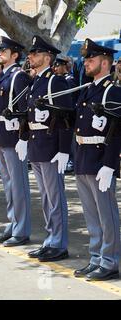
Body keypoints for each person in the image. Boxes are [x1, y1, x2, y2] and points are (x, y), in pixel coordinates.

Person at [73, 39, 120, 281]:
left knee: (106, 214)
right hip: (83, 158)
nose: (86, 62)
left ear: (104, 62)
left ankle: (111, 260)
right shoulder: (87, 89)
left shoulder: (113, 91)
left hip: (101, 160)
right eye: (86, 59)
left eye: (90, 59)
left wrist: (110, 165)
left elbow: (117, 129)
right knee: (91, 214)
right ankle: (96, 257)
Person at [23, 35, 72, 262]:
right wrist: (24, 139)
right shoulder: (37, 82)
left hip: (51, 146)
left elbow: (65, 119)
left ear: (47, 56)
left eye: (34, 53)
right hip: (37, 145)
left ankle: (59, 244)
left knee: (55, 198)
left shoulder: (55, 82)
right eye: (31, 53)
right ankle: (50, 239)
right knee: (45, 198)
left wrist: (63, 150)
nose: (30, 56)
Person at [0, 36, 32, 247]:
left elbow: (25, 111)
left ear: (14, 54)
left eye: (4, 50)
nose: (0, 53)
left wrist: (23, 138)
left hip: (13, 138)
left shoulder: (19, 76)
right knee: (8, 185)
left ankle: (21, 229)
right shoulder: (4, 76)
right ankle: (12, 224)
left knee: (18, 185)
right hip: (0, 135)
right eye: (0, 50)